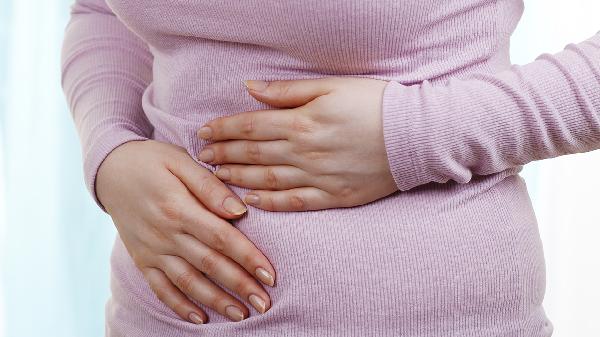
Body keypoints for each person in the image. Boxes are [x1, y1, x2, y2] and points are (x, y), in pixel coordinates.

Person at [61, 0, 599, 336]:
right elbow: (102, 12)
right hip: (165, 318)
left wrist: (415, 131)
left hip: (436, 317)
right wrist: (110, 149)